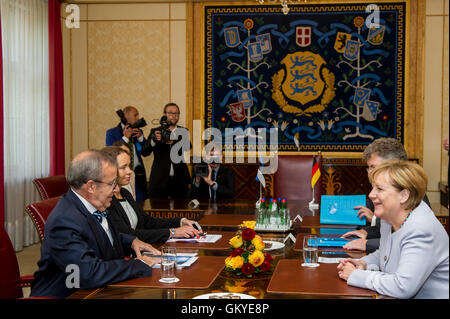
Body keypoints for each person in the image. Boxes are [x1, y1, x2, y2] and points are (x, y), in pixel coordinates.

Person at [30, 150, 160, 299]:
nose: (116, 189)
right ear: (91, 186)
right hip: (70, 295)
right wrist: (137, 264)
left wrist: (131, 241)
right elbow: (87, 273)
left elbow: (100, 235)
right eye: (112, 183)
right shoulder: (64, 221)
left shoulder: (97, 204)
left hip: (100, 291)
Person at [337, 160, 449, 299]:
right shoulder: (388, 218)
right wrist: (363, 263)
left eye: (380, 189)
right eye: (372, 188)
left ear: (404, 195)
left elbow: (402, 287)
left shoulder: (421, 230)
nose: (371, 195)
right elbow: (384, 254)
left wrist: (356, 276)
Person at [341, 137, 430, 253]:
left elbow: (405, 241)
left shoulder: (413, 196)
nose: (369, 173)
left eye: (373, 167)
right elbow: (387, 229)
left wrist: (368, 244)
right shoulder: (390, 190)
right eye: (368, 168)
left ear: (394, 165)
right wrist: (367, 232)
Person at [102, 146, 201, 243]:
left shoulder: (125, 193)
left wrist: (180, 221)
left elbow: (147, 221)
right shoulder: (107, 200)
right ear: (110, 169)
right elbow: (129, 234)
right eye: (123, 167)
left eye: (129, 166)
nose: (130, 171)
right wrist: (172, 232)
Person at [141, 103, 191, 198]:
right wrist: (153, 140)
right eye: (171, 113)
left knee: (181, 210)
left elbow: (188, 146)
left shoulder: (183, 131)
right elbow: (145, 152)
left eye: (176, 113)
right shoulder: (156, 131)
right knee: (157, 209)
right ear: (165, 114)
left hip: (180, 180)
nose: (174, 116)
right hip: (159, 179)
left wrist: (175, 139)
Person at [106, 106, 148, 204]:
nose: (138, 118)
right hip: (121, 177)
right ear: (126, 115)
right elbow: (110, 153)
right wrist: (125, 138)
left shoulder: (139, 131)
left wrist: (141, 138)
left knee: (141, 205)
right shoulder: (111, 133)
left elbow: (146, 152)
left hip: (139, 176)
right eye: (135, 115)